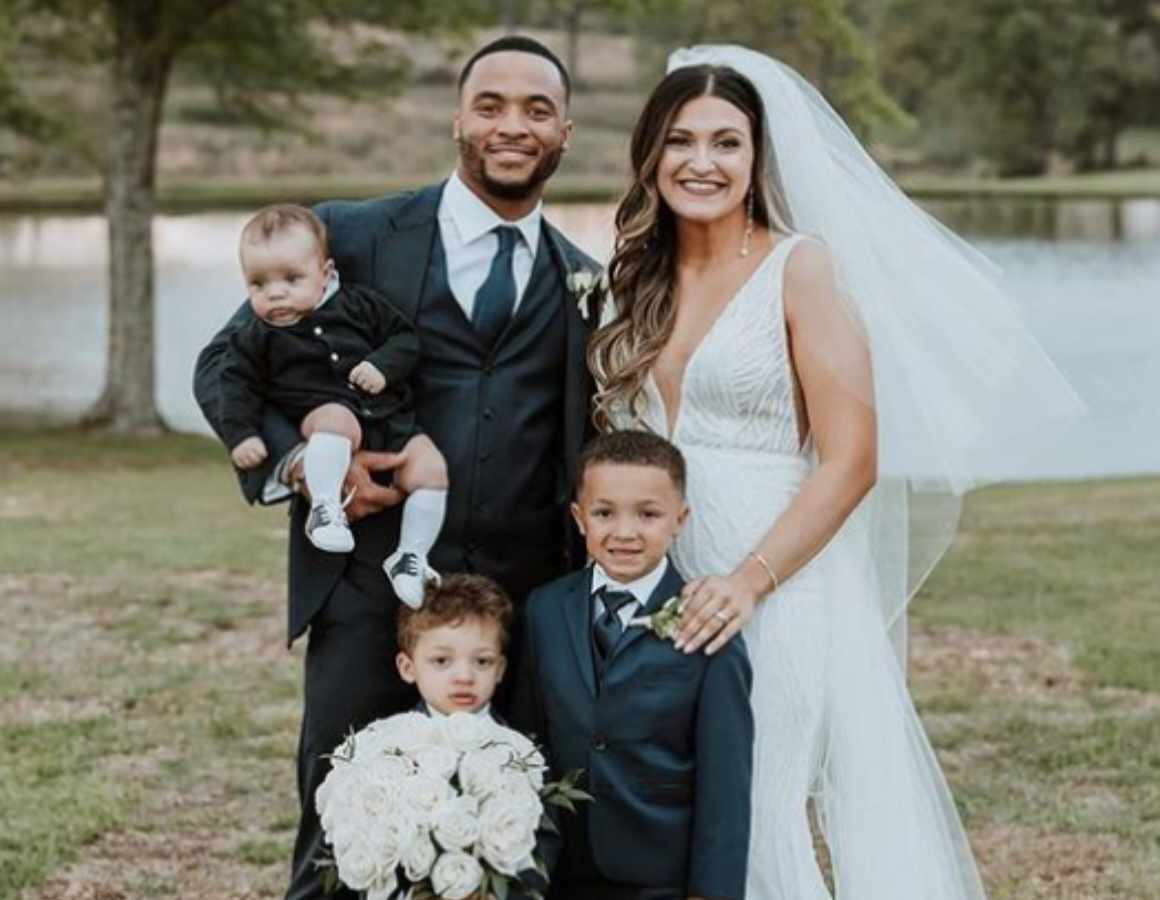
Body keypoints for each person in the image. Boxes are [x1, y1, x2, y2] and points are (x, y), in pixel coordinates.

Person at [589, 47, 1082, 900]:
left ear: (757, 158)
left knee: (758, 811)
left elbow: (853, 459)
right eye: (680, 140)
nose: (701, 162)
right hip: (658, 579)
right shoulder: (634, 280)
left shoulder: (800, 268)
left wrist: (749, 581)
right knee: (681, 815)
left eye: (726, 143)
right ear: (650, 154)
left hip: (774, 577)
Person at [192, 35, 601, 900]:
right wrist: (302, 463)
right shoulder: (349, 233)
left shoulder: (585, 280)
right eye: (490, 104)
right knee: (344, 830)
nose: (511, 126)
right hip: (366, 586)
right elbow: (231, 363)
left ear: (566, 132)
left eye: (537, 110)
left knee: (505, 835)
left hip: (517, 604)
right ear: (458, 118)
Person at [511, 430, 753, 900]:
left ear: (680, 519)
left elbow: (726, 783)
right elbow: (527, 739)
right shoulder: (544, 610)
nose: (624, 532)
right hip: (563, 869)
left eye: (648, 514)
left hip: (660, 874)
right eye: (604, 513)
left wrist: (711, 891)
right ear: (580, 519)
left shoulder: (707, 626)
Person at [219, 203, 447, 605]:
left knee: (431, 469)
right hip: (323, 417)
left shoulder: (360, 305)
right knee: (338, 420)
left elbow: (404, 339)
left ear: (325, 275)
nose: (275, 293)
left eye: (291, 279)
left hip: (388, 418)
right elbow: (234, 384)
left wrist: (381, 366)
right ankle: (325, 509)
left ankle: (409, 557)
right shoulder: (256, 335)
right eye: (258, 284)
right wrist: (242, 435)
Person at [394, 573, 512, 717]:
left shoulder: (518, 740)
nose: (464, 677)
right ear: (408, 668)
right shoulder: (383, 738)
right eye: (441, 660)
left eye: (482, 661)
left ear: (499, 670)